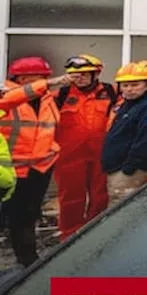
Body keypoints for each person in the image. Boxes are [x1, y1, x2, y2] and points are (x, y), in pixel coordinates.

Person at [0, 57, 68, 266]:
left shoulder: (48, 99)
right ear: (22, 78)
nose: (45, 80)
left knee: (28, 216)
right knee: (12, 216)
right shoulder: (6, 95)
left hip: (40, 167)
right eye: (41, 77)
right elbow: (14, 98)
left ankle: (28, 260)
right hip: (10, 170)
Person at [53, 54, 116, 240]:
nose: (78, 78)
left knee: (100, 196)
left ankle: (94, 234)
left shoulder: (112, 92)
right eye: (74, 75)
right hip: (69, 156)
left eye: (83, 74)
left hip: (102, 153)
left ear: (95, 74)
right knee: (70, 197)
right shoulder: (61, 95)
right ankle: (69, 237)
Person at [101, 62, 147, 201]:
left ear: (146, 84)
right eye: (125, 85)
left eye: (135, 85)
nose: (129, 89)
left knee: (123, 210)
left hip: (131, 171)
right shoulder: (129, 104)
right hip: (117, 167)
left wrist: (130, 167)